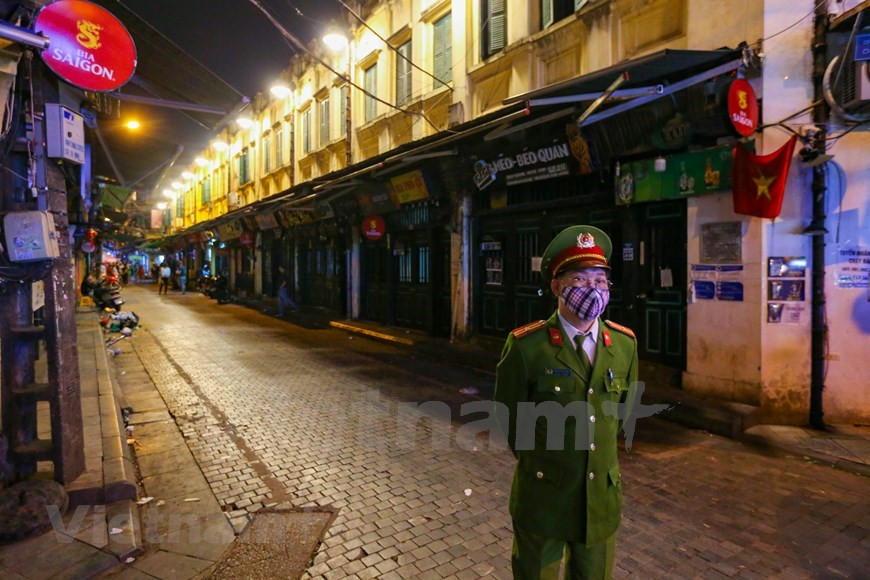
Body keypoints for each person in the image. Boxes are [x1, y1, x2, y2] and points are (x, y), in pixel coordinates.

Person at [493, 225, 638, 579]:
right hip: (543, 496)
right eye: (581, 280)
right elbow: (513, 422)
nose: (594, 290)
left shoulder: (623, 344)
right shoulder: (527, 347)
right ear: (558, 287)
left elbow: (621, 415)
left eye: (600, 281)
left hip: (600, 498)